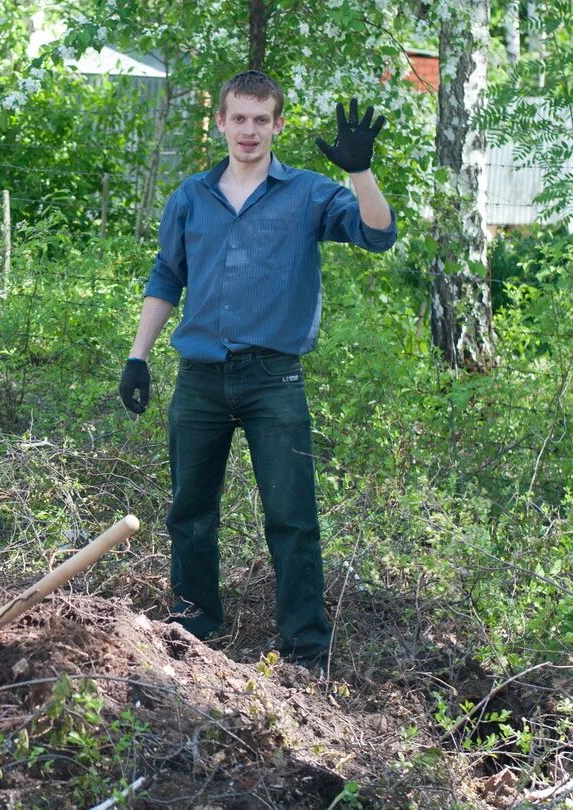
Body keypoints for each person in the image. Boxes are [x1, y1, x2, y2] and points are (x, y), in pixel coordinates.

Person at [118, 70, 396, 667]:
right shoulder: (191, 196)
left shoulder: (309, 194)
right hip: (200, 380)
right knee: (191, 512)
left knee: (292, 518)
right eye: (238, 118)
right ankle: (193, 632)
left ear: (277, 124)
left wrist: (360, 170)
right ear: (220, 122)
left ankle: (304, 651)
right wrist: (137, 356)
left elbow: (378, 235)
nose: (248, 130)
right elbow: (168, 275)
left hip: (275, 379)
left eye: (260, 119)